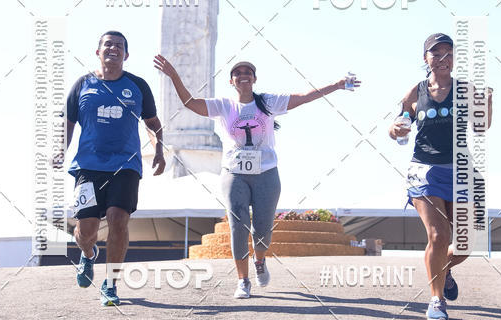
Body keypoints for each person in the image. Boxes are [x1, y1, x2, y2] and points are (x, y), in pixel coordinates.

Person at [153, 55, 359, 299]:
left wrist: (336, 85)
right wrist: (174, 76)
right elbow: (191, 103)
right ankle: (243, 280)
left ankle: (259, 260)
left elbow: (304, 97)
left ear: (254, 79)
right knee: (238, 227)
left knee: (262, 231)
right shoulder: (224, 106)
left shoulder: (268, 102)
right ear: (231, 81)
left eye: (248, 72)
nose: (243, 76)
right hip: (234, 174)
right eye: (238, 73)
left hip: (266, 173)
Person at [389, 33, 493, 320]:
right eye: (436, 53)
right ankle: (437, 300)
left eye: (448, 53)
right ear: (426, 58)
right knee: (438, 234)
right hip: (425, 171)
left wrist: (487, 103)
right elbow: (397, 126)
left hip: (460, 170)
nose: (443, 58)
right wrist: (396, 130)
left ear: (454, 58)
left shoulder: (465, 89)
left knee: (466, 242)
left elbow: (481, 127)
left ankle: (443, 269)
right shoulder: (416, 92)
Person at [61, 32, 165, 306]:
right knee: (86, 230)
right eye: (108, 44)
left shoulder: (137, 86)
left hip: (125, 165)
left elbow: (153, 123)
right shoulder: (82, 84)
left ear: (126, 55)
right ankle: (88, 254)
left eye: (119, 46)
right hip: (88, 166)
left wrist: (159, 150)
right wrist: (59, 150)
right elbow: (68, 123)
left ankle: (110, 284)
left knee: (118, 219)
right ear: (98, 52)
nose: (113, 48)